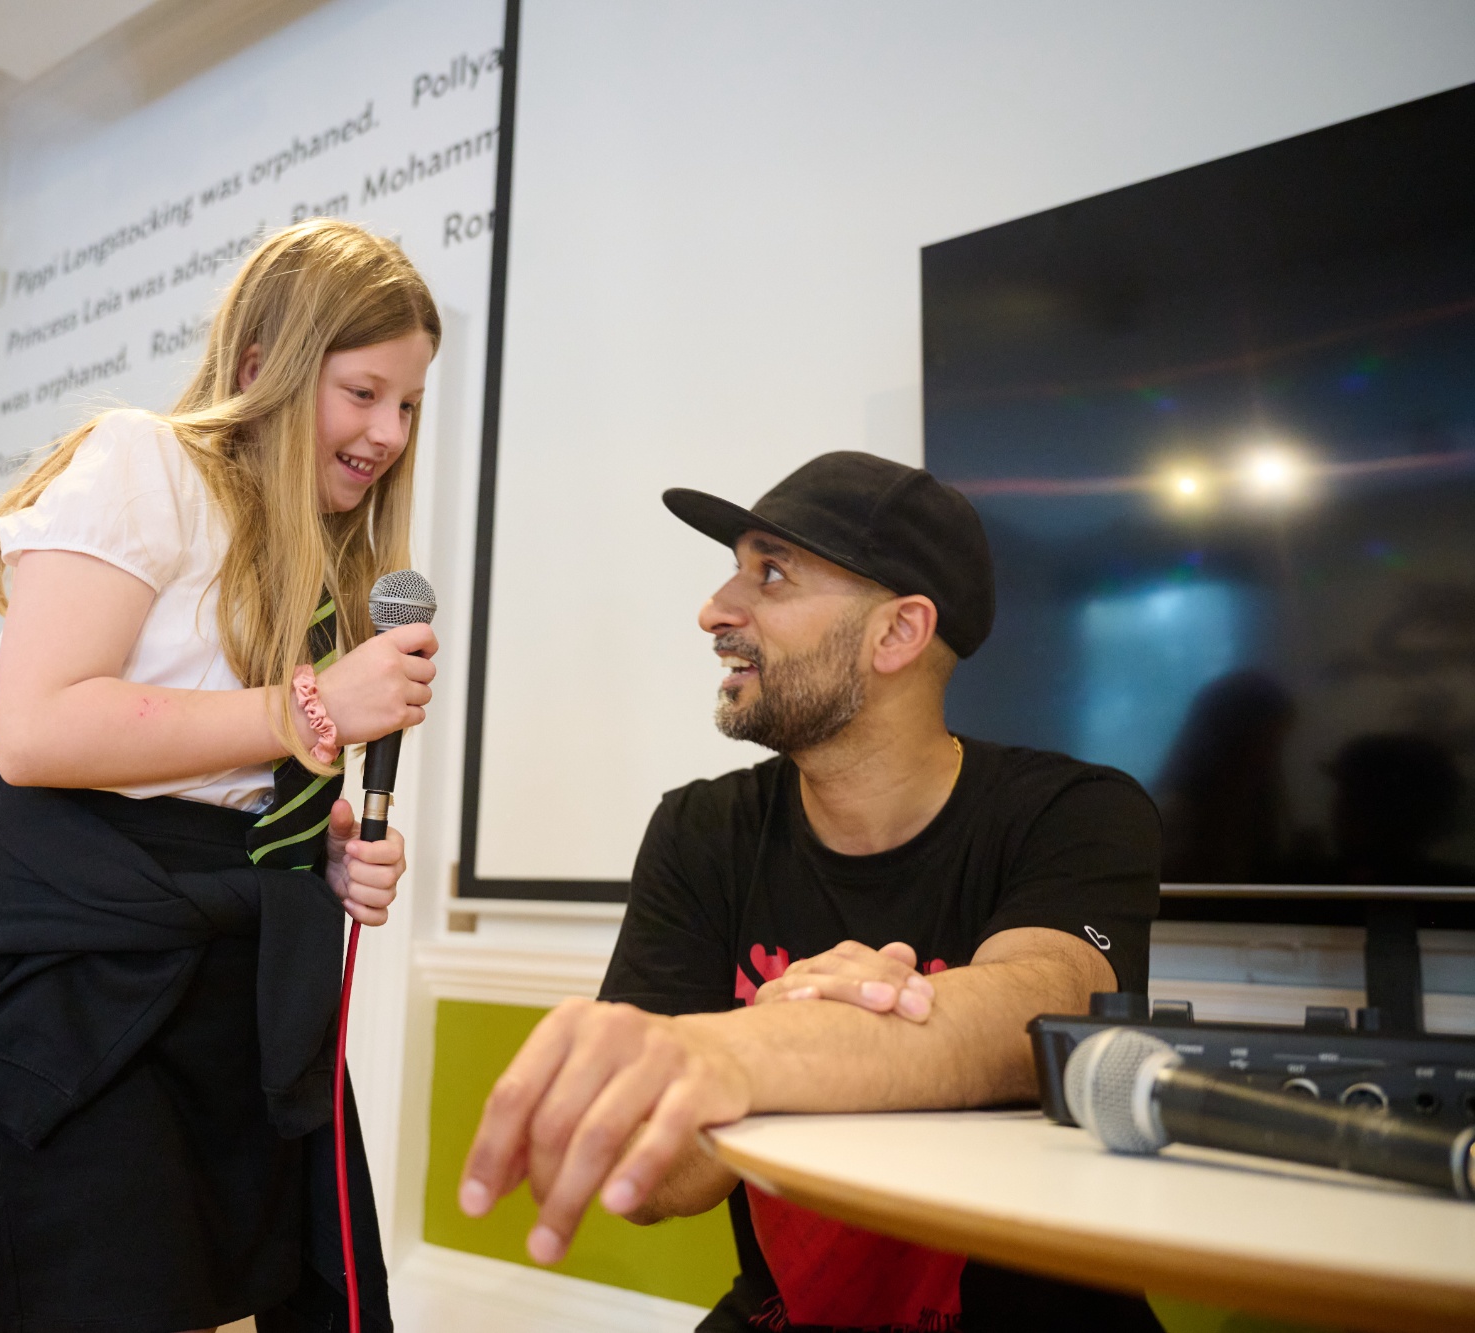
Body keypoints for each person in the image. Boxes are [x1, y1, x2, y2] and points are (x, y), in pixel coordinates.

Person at [0, 219, 440, 1333]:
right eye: (362, 392)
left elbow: (208, 774)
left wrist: (318, 838)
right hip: (87, 986)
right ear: (263, 366)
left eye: (407, 405)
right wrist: (310, 709)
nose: (388, 432)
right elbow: (43, 730)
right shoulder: (138, 459)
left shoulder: (313, 556)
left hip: (241, 988)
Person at [459, 453, 1164, 1332]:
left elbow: (1044, 1019)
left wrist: (753, 1051)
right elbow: (654, 1181)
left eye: (772, 573)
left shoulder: (1077, 810)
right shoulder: (702, 830)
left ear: (898, 633)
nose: (717, 609)